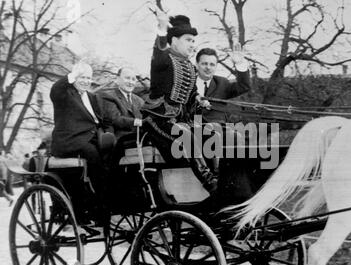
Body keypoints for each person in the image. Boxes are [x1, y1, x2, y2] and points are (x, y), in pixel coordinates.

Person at [142, 8, 218, 194]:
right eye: (188, 40)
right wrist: (161, 28)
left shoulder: (190, 67)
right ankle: (209, 182)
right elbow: (159, 50)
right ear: (174, 41)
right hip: (157, 121)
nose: (193, 45)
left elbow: (191, 94)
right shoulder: (163, 59)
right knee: (186, 135)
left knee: (212, 133)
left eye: (193, 41)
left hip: (179, 121)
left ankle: (218, 175)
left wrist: (198, 99)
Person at [50, 61, 112, 222]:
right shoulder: (64, 94)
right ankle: (97, 205)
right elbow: (55, 90)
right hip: (70, 140)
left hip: (92, 139)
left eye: (88, 78)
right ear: (74, 78)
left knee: (112, 155)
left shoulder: (93, 97)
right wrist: (71, 76)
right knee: (93, 155)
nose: (85, 81)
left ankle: (107, 201)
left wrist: (109, 134)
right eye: (81, 77)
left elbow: (105, 120)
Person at [195, 47, 251, 124]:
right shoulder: (187, 82)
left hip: (218, 129)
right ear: (197, 65)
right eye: (204, 63)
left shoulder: (222, 83)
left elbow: (244, 86)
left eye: (212, 64)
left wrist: (240, 64)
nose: (208, 67)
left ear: (216, 66)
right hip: (189, 127)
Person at [100, 67, 145, 141]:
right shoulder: (109, 96)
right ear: (117, 79)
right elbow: (115, 119)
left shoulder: (140, 100)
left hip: (141, 138)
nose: (130, 82)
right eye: (127, 78)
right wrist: (139, 122)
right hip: (121, 140)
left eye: (133, 79)